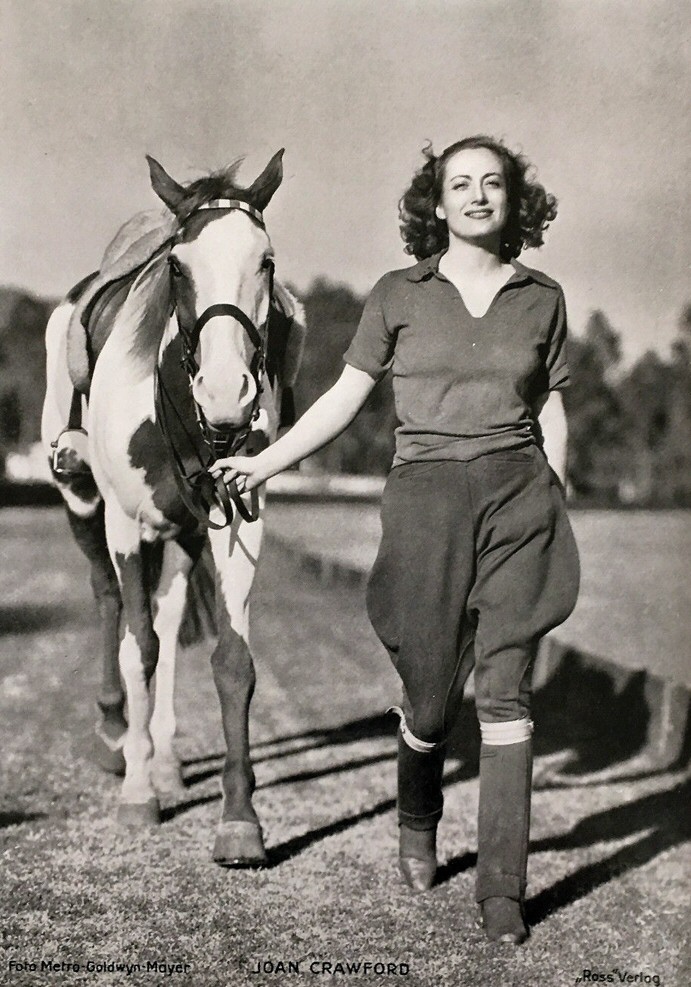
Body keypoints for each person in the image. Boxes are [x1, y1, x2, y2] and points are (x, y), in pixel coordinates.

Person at [210, 135, 580, 945]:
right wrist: (261, 461)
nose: (478, 195)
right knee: (430, 695)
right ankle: (419, 809)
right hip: (425, 501)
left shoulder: (541, 298)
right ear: (435, 204)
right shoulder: (396, 294)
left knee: (508, 687)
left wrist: (558, 479)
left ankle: (501, 888)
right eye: (461, 184)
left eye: (493, 184)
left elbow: (548, 402)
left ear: (514, 203)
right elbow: (343, 399)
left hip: (518, 498)